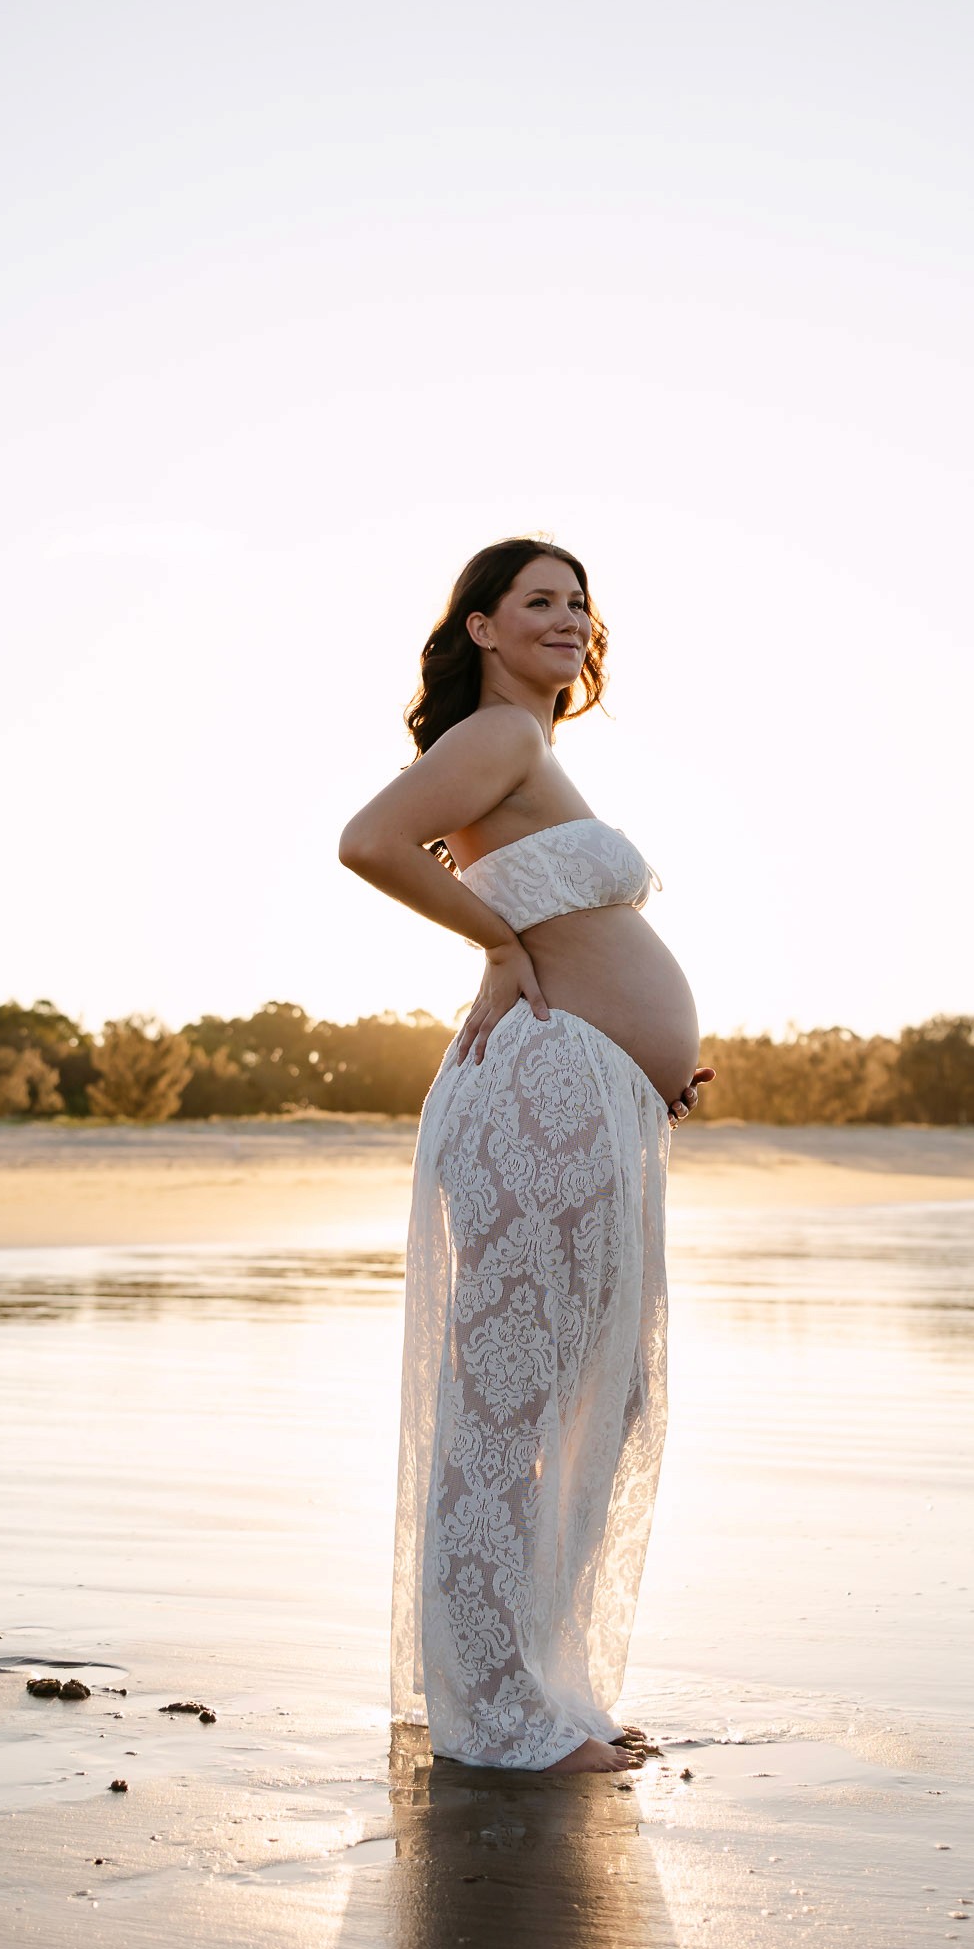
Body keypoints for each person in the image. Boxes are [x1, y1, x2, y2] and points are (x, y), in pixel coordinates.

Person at [339, 538, 709, 1776]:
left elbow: (582, 933)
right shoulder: (497, 736)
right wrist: (499, 946)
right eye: (537, 600)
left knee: (595, 1395)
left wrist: (657, 1058)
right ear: (484, 628)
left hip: (588, 1093)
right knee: (512, 1403)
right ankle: (500, 1715)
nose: (567, 616)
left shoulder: (530, 752)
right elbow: (369, 841)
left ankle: (540, 1688)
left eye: (579, 601)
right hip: (539, 1094)